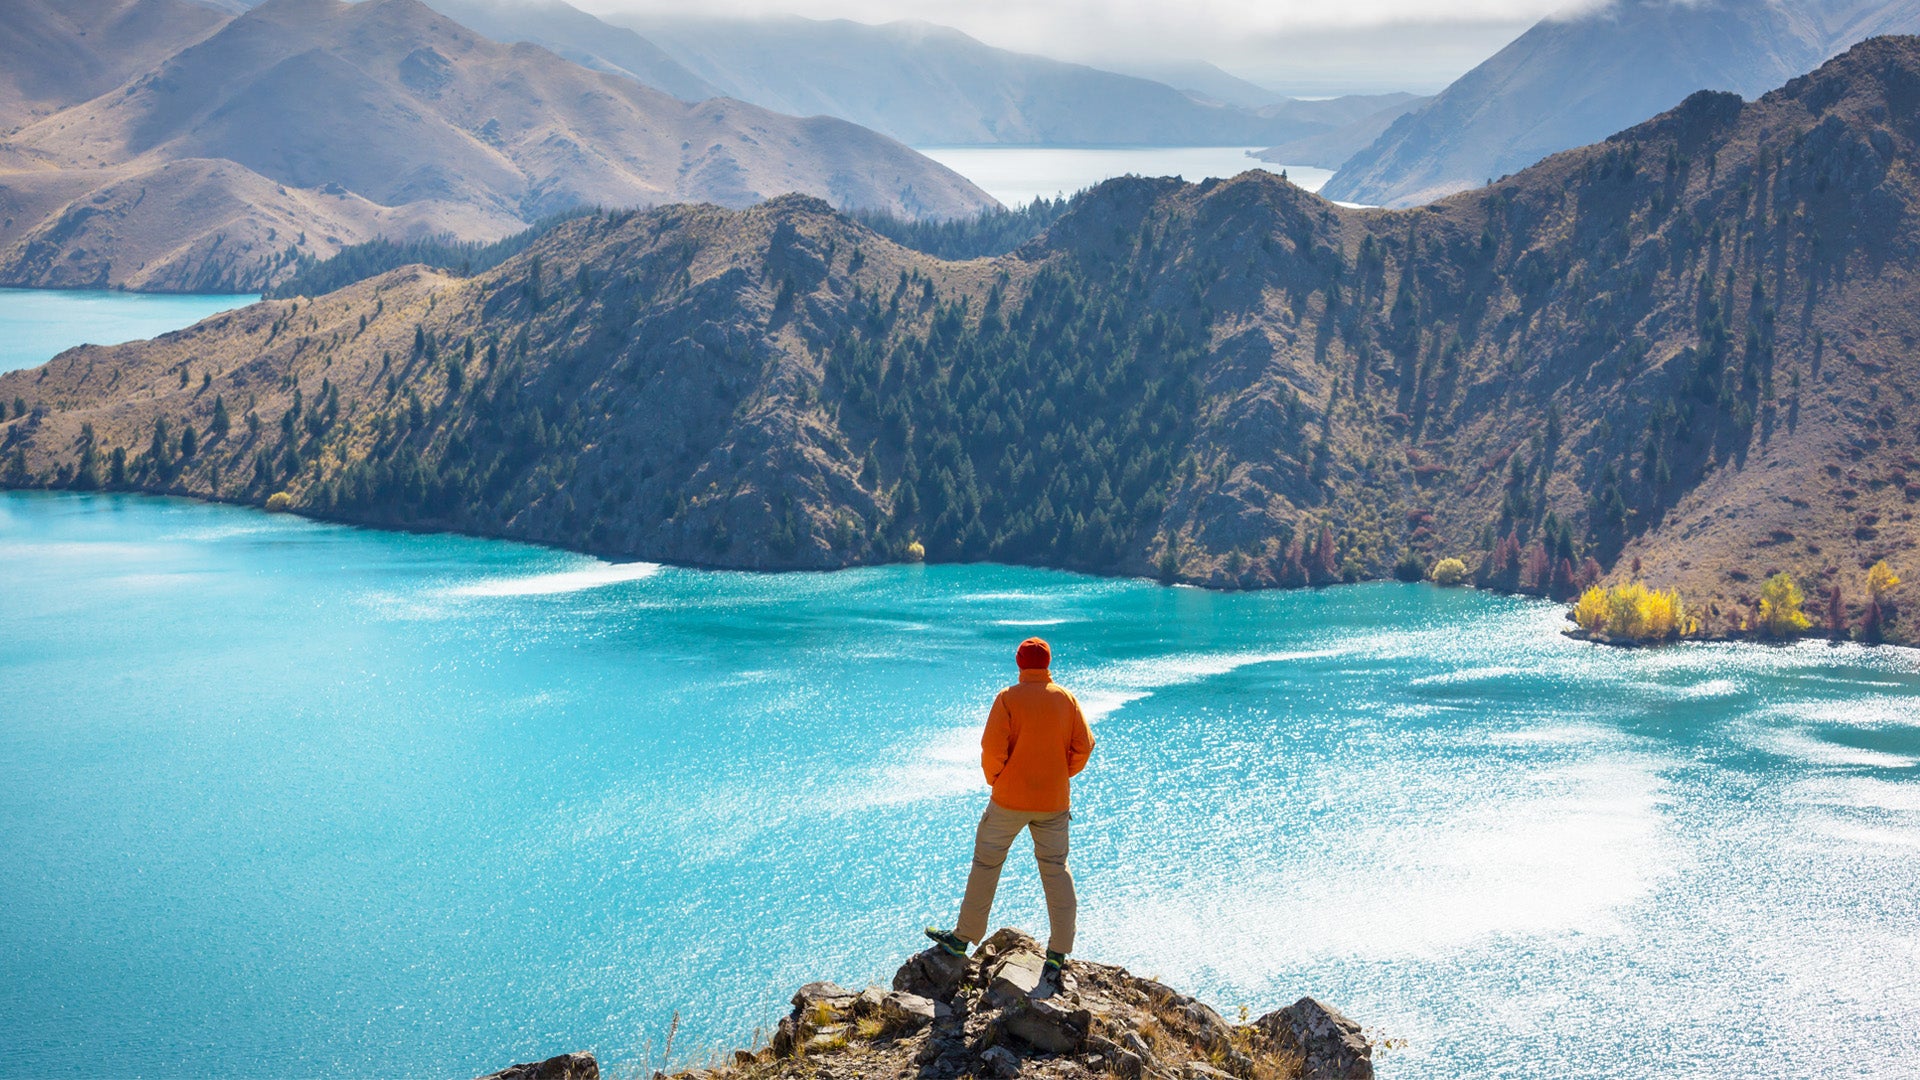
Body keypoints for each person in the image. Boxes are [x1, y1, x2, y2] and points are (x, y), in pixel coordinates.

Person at [925, 636, 1095, 973]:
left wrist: (997, 779)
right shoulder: (1066, 699)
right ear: (1047, 663)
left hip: (1008, 799)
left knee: (986, 864)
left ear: (1019, 663)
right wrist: (1061, 774)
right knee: (1056, 869)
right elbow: (1084, 746)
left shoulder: (1007, 699)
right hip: (1054, 802)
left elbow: (992, 749)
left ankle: (962, 938)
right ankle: (1058, 952)